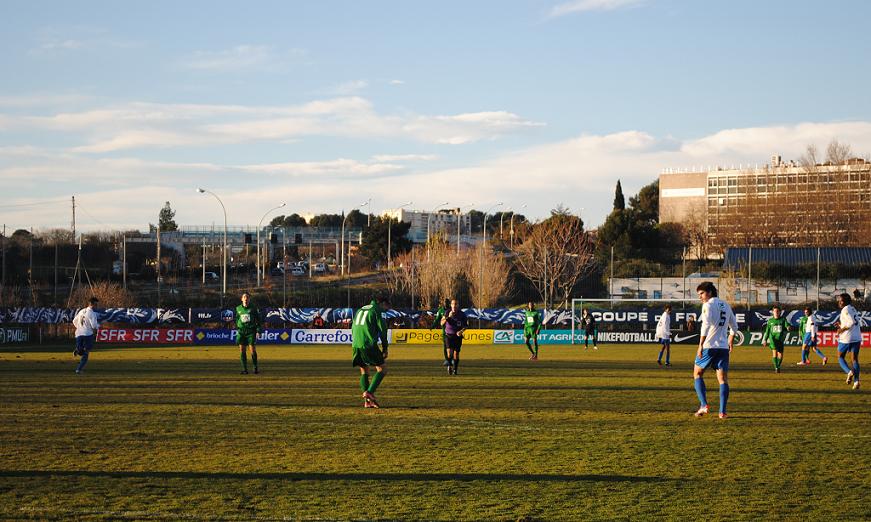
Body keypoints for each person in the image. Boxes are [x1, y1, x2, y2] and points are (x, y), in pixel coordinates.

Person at [692, 281, 738, 419]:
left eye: (702, 293)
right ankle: (722, 412)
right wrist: (730, 340)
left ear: (710, 292)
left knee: (697, 374)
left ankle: (704, 405)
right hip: (723, 348)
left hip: (709, 346)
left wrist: (700, 344)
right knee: (723, 380)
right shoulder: (726, 305)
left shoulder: (708, 305)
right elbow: (734, 327)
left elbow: (705, 325)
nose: (700, 297)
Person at [352, 295, 390, 408]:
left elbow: (353, 326)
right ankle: (369, 392)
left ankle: (367, 401)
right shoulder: (376, 310)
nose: (387, 308)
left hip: (356, 344)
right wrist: (385, 347)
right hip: (368, 344)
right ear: (382, 303)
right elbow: (383, 330)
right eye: (387, 305)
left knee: (364, 370)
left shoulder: (361, 309)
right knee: (382, 369)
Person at [836, 293, 862, 390]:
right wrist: (840, 325)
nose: (839, 302)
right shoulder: (852, 308)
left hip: (847, 338)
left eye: (841, 300)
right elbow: (851, 322)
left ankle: (849, 372)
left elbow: (851, 322)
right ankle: (856, 382)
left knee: (840, 357)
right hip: (857, 337)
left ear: (845, 301)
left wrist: (841, 330)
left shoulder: (845, 309)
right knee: (854, 359)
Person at [235, 292, 262, 375]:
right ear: (242, 299)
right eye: (244, 297)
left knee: (252, 350)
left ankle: (255, 368)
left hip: (251, 331)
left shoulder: (253, 308)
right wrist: (238, 327)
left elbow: (258, 320)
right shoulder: (238, 308)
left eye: (247, 297)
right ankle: (244, 369)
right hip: (242, 332)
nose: (246, 298)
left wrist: (258, 331)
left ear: (249, 299)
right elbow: (237, 319)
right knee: (242, 350)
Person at [72, 297, 101, 374]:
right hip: (87, 334)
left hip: (78, 333)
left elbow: (74, 321)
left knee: (82, 351)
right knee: (86, 352)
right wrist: (99, 326)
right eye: (96, 305)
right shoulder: (92, 313)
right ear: (93, 304)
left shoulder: (81, 311)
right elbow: (94, 325)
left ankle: (78, 350)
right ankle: (79, 369)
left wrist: (79, 327)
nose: (97, 306)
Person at [441, 299, 468, 375]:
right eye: (453, 304)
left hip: (457, 337)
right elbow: (441, 323)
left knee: (456, 354)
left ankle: (455, 370)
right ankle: (449, 366)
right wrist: (447, 317)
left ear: (458, 305)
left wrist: (461, 331)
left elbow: (466, 326)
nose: (454, 305)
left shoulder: (462, 314)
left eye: (456, 304)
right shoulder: (447, 312)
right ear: (451, 305)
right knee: (449, 353)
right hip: (448, 336)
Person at [762, 305, 790, 373]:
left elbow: (787, 325)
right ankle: (777, 367)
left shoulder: (783, 319)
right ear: (773, 312)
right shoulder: (770, 321)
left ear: (780, 312)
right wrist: (765, 339)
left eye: (777, 311)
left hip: (780, 339)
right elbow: (767, 331)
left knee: (780, 355)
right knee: (775, 353)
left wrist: (788, 327)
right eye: (775, 311)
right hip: (772, 339)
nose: (776, 313)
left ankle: (777, 366)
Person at [432, 298, 450, 367]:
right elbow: (437, 320)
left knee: (452, 346)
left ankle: (452, 359)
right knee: (446, 346)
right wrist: (432, 326)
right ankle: (447, 360)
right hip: (444, 332)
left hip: (452, 331)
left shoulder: (452, 310)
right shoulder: (440, 311)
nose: (446, 303)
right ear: (443, 303)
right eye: (445, 302)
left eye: (447, 302)